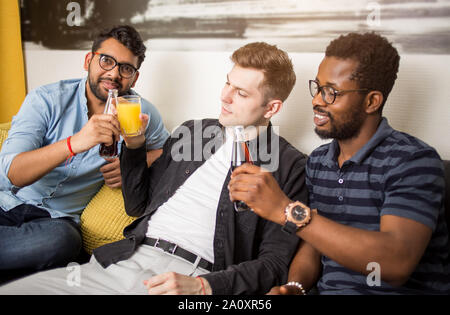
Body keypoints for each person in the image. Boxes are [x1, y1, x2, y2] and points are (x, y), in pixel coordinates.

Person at [0, 41, 308, 295]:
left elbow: (276, 263)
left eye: (240, 93)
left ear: (272, 107)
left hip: (191, 277)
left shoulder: (289, 165)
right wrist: (134, 146)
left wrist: (204, 287)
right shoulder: (195, 133)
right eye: (228, 83)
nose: (224, 97)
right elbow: (137, 205)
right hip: (122, 260)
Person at [228, 32, 450, 294]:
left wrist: (284, 209)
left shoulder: (412, 161)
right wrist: (295, 287)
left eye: (331, 92)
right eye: (318, 87)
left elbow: (395, 262)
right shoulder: (319, 163)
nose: (317, 100)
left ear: (371, 102)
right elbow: (315, 241)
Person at [0, 25, 169, 273]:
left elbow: (174, 152)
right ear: (88, 60)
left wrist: (137, 163)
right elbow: (12, 173)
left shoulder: (140, 112)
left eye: (125, 68)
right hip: (5, 203)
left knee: (64, 243)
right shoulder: (45, 99)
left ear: (134, 77)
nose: (114, 74)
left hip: (54, 223)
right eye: (106, 61)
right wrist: (75, 142)